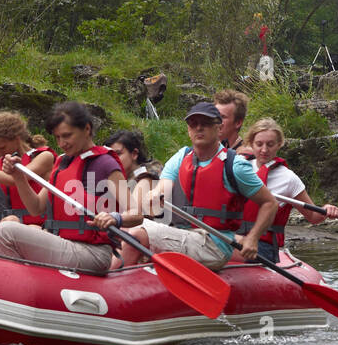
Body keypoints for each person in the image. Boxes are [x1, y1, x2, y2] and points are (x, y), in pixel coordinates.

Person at [102, 102, 277, 271]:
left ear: (218, 128)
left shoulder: (235, 165)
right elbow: (163, 186)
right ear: (188, 130)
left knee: (136, 235)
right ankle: (122, 272)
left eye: (205, 123)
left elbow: (270, 203)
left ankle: (110, 280)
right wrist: (155, 194)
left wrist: (253, 238)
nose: (199, 128)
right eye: (193, 124)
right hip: (186, 234)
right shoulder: (182, 156)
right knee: (124, 227)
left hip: (214, 245)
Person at [0, 102, 127, 272]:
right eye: (57, 137)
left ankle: (14, 282)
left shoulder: (106, 163)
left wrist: (115, 218)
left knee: (6, 231)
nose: (62, 143)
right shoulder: (62, 163)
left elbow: (136, 214)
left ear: (86, 129)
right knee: (6, 228)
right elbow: (36, 208)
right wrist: (19, 177)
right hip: (63, 243)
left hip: (93, 253)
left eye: (67, 135)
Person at [238, 118, 338, 263]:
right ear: (251, 144)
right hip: (233, 236)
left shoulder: (289, 178)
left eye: (270, 144)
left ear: (279, 144)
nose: (264, 150)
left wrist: (326, 209)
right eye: (259, 144)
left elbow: (312, 216)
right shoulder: (239, 167)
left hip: (264, 245)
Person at [0, 112, 55, 226]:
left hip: (39, 228)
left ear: (17, 139)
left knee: (12, 224)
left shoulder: (44, 156)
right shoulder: (2, 162)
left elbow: (16, 179)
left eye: (2, 147)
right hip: (9, 227)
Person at [104, 129, 160, 206]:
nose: (113, 160)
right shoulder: (114, 177)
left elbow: (134, 212)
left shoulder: (147, 175)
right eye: (110, 157)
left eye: (118, 154)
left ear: (134, 154)